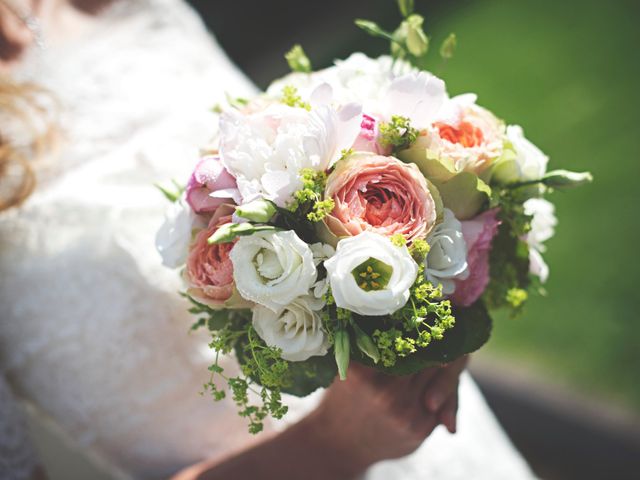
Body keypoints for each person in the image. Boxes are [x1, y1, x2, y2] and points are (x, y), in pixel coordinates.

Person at [0, 1, 536, 479]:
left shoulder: (130, 9)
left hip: (445, 443)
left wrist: (443, 285)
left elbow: (298, 153)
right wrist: (331, 447)